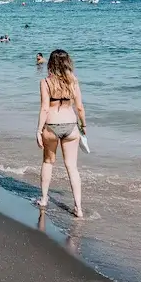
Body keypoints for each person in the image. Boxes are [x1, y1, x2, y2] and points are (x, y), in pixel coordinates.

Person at [35, 49, 87, 217]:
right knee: (72, 166)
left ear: (50, 63)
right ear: (67, 63)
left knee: (48, 162)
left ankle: (44, 199)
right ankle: (78, 208)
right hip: (71, 125)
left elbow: (44, 107)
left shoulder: (45, 82)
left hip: (51, 125)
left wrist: (38, 129)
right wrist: (83, 126)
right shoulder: (74, 81)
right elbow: (79, 107)